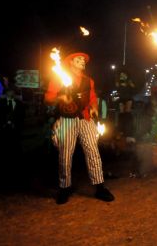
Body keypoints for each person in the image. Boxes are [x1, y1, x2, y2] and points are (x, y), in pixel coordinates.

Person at [44, 51, 114, 204]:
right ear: (71, 62)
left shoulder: (88, 80)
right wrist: (60, 98)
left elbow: (93, 98)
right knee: (65, 155)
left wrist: (94, 107)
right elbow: (48, 99)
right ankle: (64, 188)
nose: (83, 61)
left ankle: (100, 187)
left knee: (93, 152)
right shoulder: (58, 79)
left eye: (84, 59)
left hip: (85, 119)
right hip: (67, 120)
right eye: (79, 59)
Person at [115, 69, 136, 143]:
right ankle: (121, 130)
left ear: (126, 75)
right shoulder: (118, 82)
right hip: (121, 99)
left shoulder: (129, 82)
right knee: (122, 114)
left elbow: (134, 88)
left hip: (128, 98)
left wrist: (130, 83)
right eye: (121, 75)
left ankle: (127, 131)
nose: (122, 76)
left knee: (127, 113)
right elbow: (117, 89)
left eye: (124, 75)